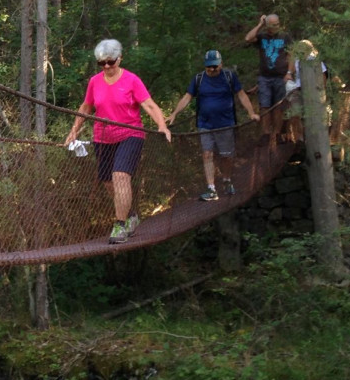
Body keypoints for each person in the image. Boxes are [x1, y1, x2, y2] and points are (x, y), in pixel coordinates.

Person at [64, 39, 172, 245]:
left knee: (120, 175)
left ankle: (120, 225)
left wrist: (162, 126)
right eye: (101, 63)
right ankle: (130, 216)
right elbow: (86, 107)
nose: (106, 66)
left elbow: (149, 105)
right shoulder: (95, 82)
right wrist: (73, 131)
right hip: (103, 137)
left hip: (131, 134)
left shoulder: (132, 80)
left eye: (110, 62)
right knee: (108, 182)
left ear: (119, 59)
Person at [166, 49, 260, 201]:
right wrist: (174, 113)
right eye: (209, 66)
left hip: (225, 123)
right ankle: (211, 188)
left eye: (215, 66)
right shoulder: (199, 79)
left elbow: (241, 95)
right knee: (207, 154)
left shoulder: (229, 77)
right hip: (205, 124)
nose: (212, 69)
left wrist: (251, 113)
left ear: (221, 64)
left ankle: (227, 180)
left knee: (226, 156)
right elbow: (187, 97)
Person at [245, 13, 294, 140]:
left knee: (279, 106)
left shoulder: (285, 37)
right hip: (265, 77)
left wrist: (289, 73)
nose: (276, 27)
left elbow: (291, 55)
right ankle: (266, 134)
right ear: (267, 26)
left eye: (277, 24)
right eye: (273, 25)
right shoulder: (261, 37)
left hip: (281, 76)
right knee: (264, 105)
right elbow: (248, 38)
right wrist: (260, 25)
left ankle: (277, 134)